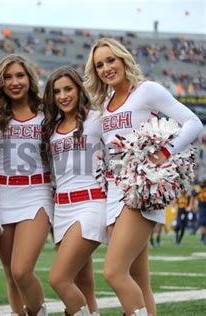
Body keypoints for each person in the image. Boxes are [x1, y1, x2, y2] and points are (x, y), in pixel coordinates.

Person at [84, 37, 203, 315]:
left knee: (114, 272)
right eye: (99, 64)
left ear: (123, 59)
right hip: (113, 192)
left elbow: (193, 123)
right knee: (140, 278)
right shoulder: (106, 103)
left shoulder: (147, 90)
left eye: (111, 60)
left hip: (142, 191)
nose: (106, 68)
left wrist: (166, 151)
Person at [42, 66, 107, 316]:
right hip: (62, 210)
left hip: (90, 204)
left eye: (68, 89)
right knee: (84, 286)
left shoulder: (97, 119)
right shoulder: (52, 127)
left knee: (59, 279)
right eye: (57, 91)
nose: (63, 96)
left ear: (80, 89)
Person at [0, 54, 52, 316]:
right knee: (10, 273)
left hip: (37, 192)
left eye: (20, 75)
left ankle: (39, 312)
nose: (14, 82)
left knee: (21, 269)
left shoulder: (48, 112)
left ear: (29, 78)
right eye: (8, 77)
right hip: (2, 194)